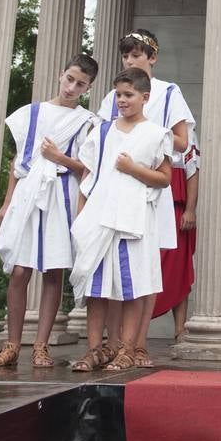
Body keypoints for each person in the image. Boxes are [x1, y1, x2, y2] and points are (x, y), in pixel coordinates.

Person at [0, 54, 100, 369]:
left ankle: (41, 346)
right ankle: (12, 344)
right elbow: (18, 161)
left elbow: (87, 169)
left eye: (80, 84)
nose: (72, 87)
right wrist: (7, 201)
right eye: (70, 79)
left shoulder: (86, 121)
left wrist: (58, 157)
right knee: (20, 270)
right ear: (60, 74)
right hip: (28, 195)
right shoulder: (32, 113)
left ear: (88, 87)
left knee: (53, 271)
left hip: (61, 196)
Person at [93, 29, 195, 362]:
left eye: (137, 54)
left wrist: (147, 136)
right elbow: (100, 139)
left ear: (152, 57)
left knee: (147, 267)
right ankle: (111, 343)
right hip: (116, 186)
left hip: (152, 184)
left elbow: (183, 141)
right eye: (126, 55)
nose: (131, 60)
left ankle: (138, 344)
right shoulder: (114, 96)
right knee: (111, 264)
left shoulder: (168, 92)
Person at [70, 68, 174, 372]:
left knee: (132, 286)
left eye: (128, 95)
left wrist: (133, 169)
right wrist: (81, 218)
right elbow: (88, 176)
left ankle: (127, 349)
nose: (122, 101)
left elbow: (164, 179)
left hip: (135, 220)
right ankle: (94, 350)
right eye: (118, 95)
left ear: (145, 97)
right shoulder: (102, 131)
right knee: (96, 287)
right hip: (100, 216)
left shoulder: (156, 134)